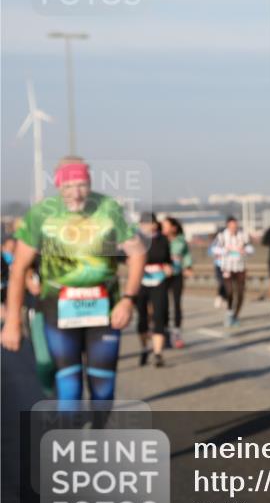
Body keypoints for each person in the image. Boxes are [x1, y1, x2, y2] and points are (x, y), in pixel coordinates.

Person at [1, 156, 145, 404]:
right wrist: (12, 320)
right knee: (69, 384)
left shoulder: (108, 208)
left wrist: (128, 300)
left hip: (105, 307)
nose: (76, 194)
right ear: (58, 186)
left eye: (82, 185)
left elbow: (138, 252)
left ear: (90, 184)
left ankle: (97, 428)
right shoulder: (41, 214)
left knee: (103, 387)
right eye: (68, 187)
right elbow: (19, 268)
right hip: (58, 307)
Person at [136, 214, 173, 367]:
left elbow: (168, 259)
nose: (148, 226)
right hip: (141, 281)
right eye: (144, 223)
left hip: (159, 280)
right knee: (143, 318)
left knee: (159, 315)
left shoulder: (163, 239)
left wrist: (168, 267)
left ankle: (158, 353)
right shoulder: (136, 240)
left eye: (150, 223)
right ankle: (145, 348)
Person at [212, 216, 253, 328]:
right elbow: (213, 249)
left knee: (240, 293)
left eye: (235, 226)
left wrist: (245, 250)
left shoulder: (243, 235)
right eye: (231, 226)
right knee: (229, 291)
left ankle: (235, 315)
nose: (233, 228)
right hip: (227, 267)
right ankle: (229, 312)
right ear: (227, 226)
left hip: (240, 267)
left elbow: (251, 249)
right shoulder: (221, 236)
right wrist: (225, 250)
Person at [162, 217, 192, 348]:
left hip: (177, 274)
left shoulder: (181, 241)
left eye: (166, 226)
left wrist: (188, 266)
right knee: (163, 305)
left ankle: (177, 333)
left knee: (177, 304)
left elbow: (186, 255)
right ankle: (164, 333)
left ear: (174, 228)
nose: (163, 228)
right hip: (162, 276)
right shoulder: (159, 240)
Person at [208, 227, 227, 309]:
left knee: (228, 283)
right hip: (219, 265)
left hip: (228, 266)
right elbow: (210, 251)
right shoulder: (216, 241)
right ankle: (219, 297)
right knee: (222, 282)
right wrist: (221, 252)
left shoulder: (230, 239)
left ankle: (224, 298)